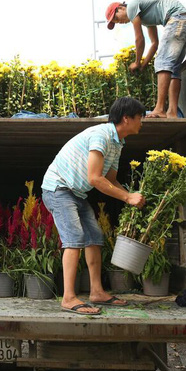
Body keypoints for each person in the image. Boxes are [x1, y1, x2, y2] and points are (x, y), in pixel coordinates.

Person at [41, 97, 146, 315]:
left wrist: (130, 194)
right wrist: (127, 198)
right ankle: (68, 298)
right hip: (58, 189)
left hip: (76, 193)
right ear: (126, 119)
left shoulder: (117, 143)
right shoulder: (102, 135)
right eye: (140, 118)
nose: (142, 122)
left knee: (94, 237)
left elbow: (110, 179)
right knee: (75, 239)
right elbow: (95, 179)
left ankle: (96, 291)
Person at [106, 0, 186, 119]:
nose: (119, 22)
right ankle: (172, 112)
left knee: (163, 62)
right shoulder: (146, 18)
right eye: (115, 22)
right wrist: (143, 64)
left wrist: (136, 62)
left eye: (116, 18)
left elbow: (139, 39)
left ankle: (159, 109)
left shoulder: (132, 7)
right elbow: (154, 43)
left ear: (121, 8)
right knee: (173, 68)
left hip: (177, 20)